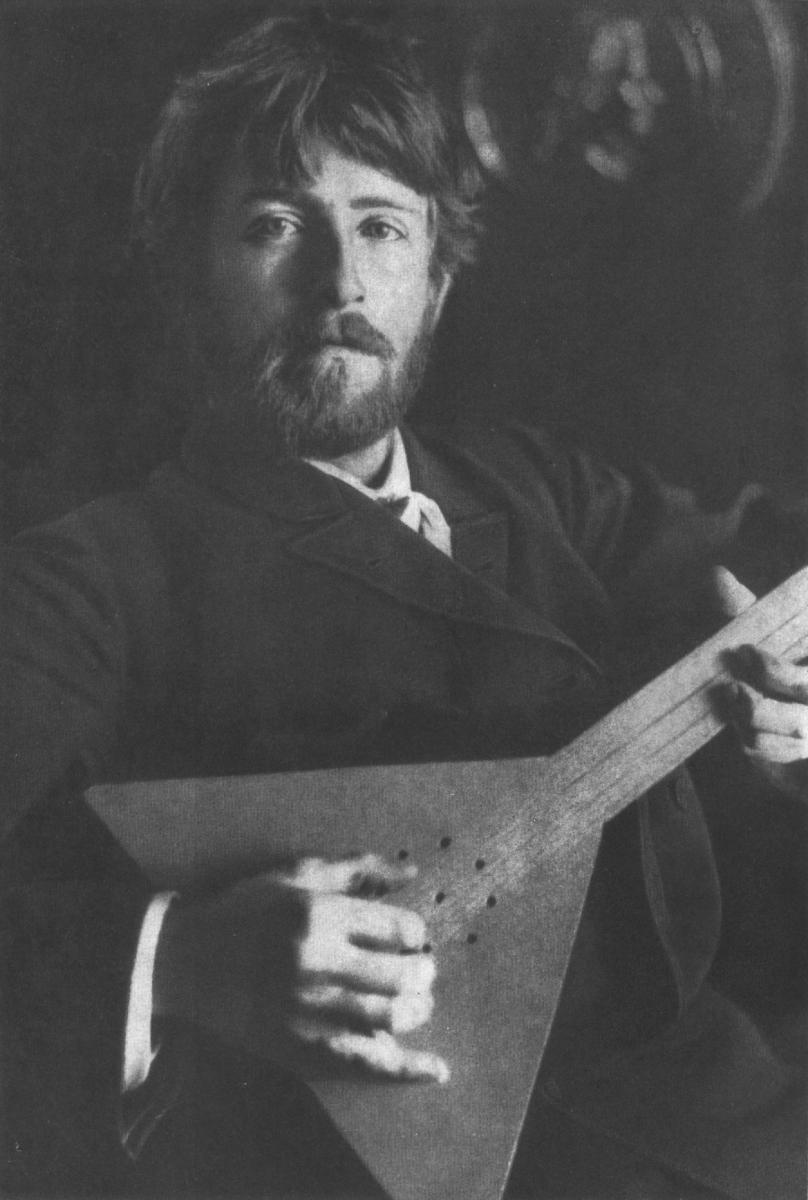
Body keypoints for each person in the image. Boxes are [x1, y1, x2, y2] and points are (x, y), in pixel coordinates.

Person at [1, 10, 805, 1199]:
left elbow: (767, 557)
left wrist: (793, 700)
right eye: (275, 225)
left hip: (706, 1097)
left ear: (435, 279)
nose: (340, 282)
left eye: (381, 226)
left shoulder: (540, 490)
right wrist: (178, 960)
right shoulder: (93, 582)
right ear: (183, 272)